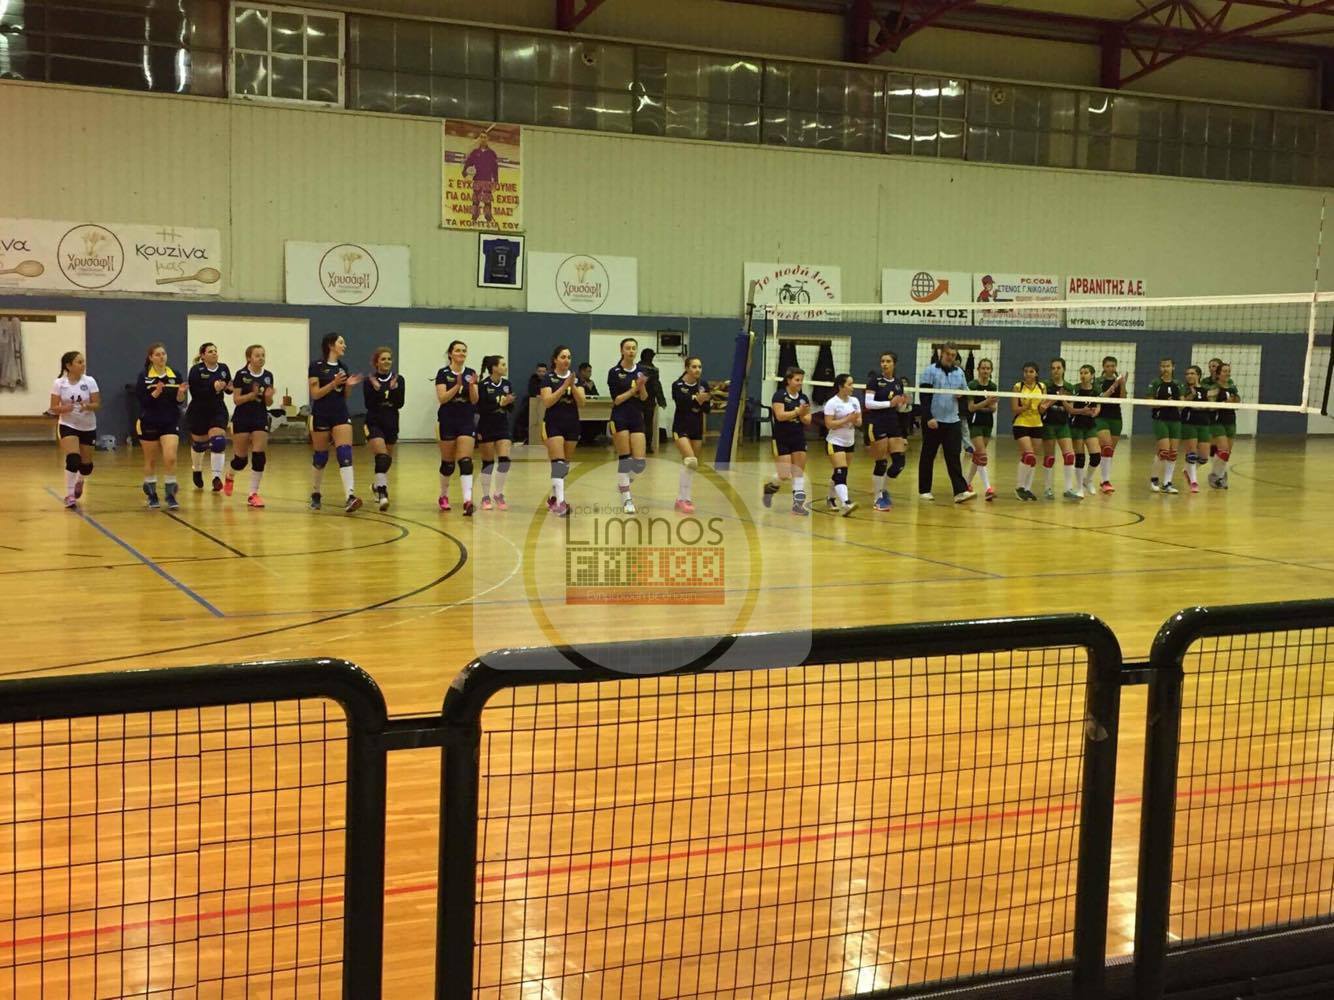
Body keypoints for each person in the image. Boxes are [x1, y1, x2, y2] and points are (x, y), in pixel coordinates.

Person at [308, 332, 363, 513]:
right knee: (321, 457)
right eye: (341, 342)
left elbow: (344, 396)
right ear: (331, 345)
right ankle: (316, 493)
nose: (344, 345)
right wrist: (333, 383)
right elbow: (315, 394)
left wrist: (348, 386)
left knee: (344, 452)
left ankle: (350, 496)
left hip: (340, 413)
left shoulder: (343, 367)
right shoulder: (316, 366)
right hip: (321, 413)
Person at [916, 343, 975, 503]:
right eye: (948, 354)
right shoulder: (930, 371)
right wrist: (928, 418)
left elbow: (965, 393)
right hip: (934, 421)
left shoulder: (959, 372)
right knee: (928, 455)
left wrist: (961, 395)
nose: (950, 357)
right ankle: (924, 490)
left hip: (952, 420)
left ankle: (960, 491)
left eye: (953, 355)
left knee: (954, 456)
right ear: (942, 354)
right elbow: (924, 397)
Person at [137, 342, 187, 510]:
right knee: (151, 460)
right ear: (151, 357)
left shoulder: (175, 374)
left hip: (170, 421)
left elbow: (179, 401)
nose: (161, 357)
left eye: (163, 354)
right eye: (157, 354)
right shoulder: (144, 376)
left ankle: (170, 494)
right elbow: (142, 401)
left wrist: (181, 394)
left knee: (170, 457)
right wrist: (156, 392)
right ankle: (152, 494)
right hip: (149, 421)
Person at [435, 339, 479, 516]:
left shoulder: (470, 373)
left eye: (464, 351)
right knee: (448, 464)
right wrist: (458, 385)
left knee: (466, 461)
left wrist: (472, 386)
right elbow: (442, 398)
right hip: (447, 420)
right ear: (450, 354)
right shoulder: (443, 373)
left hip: (466, 420)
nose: (461, 353)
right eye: (458, 350)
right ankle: (443, 496)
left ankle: (467, 501)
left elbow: (474, 400)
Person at [51, 350, 99, 509]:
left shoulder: (90, 381)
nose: (83, 365)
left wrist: (88, 406)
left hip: (87, 425)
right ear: (68, 366)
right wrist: (65, 408)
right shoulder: (59, 383)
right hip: (68, 425)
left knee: (86, 466)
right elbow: (53, 408)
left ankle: (80, 479)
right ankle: (70, 494)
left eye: (83, 361)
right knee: (73, 459)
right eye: (79, 362)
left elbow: (97, 404)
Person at [607, 337, 650, 514]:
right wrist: (633, 390)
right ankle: (627, 499)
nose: (631, 351)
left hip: (636, 416)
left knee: (639, 463)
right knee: (625, 458)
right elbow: (617, 400)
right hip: (620, 416)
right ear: (622, 350)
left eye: (634, 348)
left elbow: (644, 398)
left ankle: (623, 481)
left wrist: (642, 386)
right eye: (628, 348)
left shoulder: (641, 371)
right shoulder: (614, 372)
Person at [541, 345, 584, 517]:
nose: (567, 360)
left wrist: (572, 386)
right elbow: (547, 401)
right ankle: (561, 502)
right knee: (558, 463)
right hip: (553, 423)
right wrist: (564, 386)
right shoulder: (548, 378)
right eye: (563, 357)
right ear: (555, 359)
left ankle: (553, 498)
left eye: (569, 357)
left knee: (564, 465)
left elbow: (582, 402)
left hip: (572, 423)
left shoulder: (576, 378)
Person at [864, 351, 909, 512]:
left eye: (888, 361)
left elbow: (899, 408)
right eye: (882, 361)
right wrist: (889, 404)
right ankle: (877, 499)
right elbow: (868, 404)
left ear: (894, 364)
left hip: (893, 423)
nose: (884, 364)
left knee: (899, 463)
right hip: (877, 423)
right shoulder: (874, 381)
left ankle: (883, 489)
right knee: (881, 462)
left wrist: (903, 403)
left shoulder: (898, 383)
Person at [229, 344, 274, 508]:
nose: (261, 358)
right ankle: (230, 475)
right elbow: (236, 400)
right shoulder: (241, 375)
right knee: (241, 460)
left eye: (263, 355)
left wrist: (268, 397)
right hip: (242, 417)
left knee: (259, 456)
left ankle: (253, 494)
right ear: (249, 358)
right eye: (257, 355)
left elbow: (268, 403)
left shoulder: (268, 376)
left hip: (259, 417)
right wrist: (251, 395)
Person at [764, 366, 812, 515]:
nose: (800, 383)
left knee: (798, 472)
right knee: (784, 475)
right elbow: (780, 416)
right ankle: (770, 488)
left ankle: (797, 506)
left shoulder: (803, 398)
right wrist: (798, 412)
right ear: (789, 380)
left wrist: (802, 414)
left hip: (798, 437)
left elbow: (808, 420)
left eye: (801, 380)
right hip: (782, 438)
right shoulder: (779, 396)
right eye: (797, 380)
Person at [185, 342, 232, 493]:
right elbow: (195, 393)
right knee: (199, 445)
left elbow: (229, 387)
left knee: (218, 441)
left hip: (217, 409)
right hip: (199, 410)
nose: (214, 353)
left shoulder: (223, 368)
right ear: (203, 355)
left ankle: (216, 477)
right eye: (210, 351)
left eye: (215, 351)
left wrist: (229, 388)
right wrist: (213, 387)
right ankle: (197, 469)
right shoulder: (196, 370)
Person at [363, 347, 404, 512]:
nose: (387, 361)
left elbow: (399, 403)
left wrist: (390, 390)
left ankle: (376, 485)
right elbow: (369, 404)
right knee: (381, 457)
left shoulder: (399, 379)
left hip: (391, 422)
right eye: (383, 359)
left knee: (386, 460)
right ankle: (382, 493)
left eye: (389, 359)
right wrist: (380, 390)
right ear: (376, 362)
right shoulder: (369, 380)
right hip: (374, 422)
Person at [671, 356, 711, 513]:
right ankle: (684, 499)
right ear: (687, 368)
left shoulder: (703, 385)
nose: (697, 370)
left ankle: (681, 498)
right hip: (681, 428)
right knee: (691, 461)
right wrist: (696, 401)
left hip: (696, 428)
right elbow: (682, 405)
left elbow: (707, 409)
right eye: (694, 367)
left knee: (690, 465)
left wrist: (702, 402)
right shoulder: (678, 385)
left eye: (699, 367)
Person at [477, 354, 515, 510]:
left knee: (505, 461)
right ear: (494, 368)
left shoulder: (507, 384)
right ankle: (485, 496)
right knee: (488, 463)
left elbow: (510, 408)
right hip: (486, 426)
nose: (505, 367)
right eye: (502, 364)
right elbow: (480, 408)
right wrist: (501, 403)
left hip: (502, 425)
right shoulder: (483, 385)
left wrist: (508, 403)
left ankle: (498, 493)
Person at [1040, 357, 1081, 501]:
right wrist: (1054, 398)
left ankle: (1068, 489)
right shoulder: (1045, 385)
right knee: (1050, 458)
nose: (1055, 371)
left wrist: (1063, 399)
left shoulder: (1069, 387)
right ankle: (1048, 489)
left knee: (1069, 456)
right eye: (1053, 368)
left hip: (1063, 424)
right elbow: (1042, 408)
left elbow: (1071, 410)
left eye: (1058, 368)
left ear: (1064, 369)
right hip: (1049, 424)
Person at [822, 373, 862, 516]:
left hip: (849, 442)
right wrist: (847, 419)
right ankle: (846, 503)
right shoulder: (832, 403)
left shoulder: (855, 401)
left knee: (839, 472)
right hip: (834, 442)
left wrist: (855, 420)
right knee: (841, 471)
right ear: (841, 386)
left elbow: (859, 422)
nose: (852, 387)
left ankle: (830, 498)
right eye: (849, 384)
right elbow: (829, 424)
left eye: (852, 384)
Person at [1147, 357, 1183, 494]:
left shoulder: (1178, 384)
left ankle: (1167, 483)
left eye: (1167, 366)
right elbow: (1150, 402)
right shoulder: (1155, 383)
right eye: (1162, 366)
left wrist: (1177, 402)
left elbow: (1182, 404)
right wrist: (1164, 403)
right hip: (1160, 418)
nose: (1165, 368)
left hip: (1175, 419)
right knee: (1164, 452)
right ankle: (1154, 479)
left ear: (1173, 367)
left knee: (1173, 453)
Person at [966, 358, 998, 501]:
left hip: (988, 423)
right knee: (983, 456)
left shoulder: (992, 386)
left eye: (988, 368)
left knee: (978, 456)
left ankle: (966, 483)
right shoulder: (972, 385)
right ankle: (988, 488)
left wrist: (984, 406)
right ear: (978, 369)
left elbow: (993, 408)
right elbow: (971, 408)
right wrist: (986, 402)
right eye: (983, 368)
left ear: (991, 371)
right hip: (975, 423)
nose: (985, 371)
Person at [1011, 362, 1044, 502]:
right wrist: (1025, 407)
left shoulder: (1042, 387)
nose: (1028, 374)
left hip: (1037, 424)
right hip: (1021, 423)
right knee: (1028, 455)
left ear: (1036, 373)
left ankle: (1027, 488)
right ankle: (1019, 487)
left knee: (1032, 458)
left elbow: (1041, 409)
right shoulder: (1018, 387)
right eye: (1026, 371)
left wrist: (1044, 407)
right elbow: (1014, 409)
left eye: (1031, 371)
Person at [1095, 356, 1127, 494]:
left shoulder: (1119, 381)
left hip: (1116, 417)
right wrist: (1115, 384)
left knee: (1109, 452)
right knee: (1106, 447)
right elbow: (1101, 398)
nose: (1110, 368)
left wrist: (1123, 384)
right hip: (1101, 417)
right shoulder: (1098, 381)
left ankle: (1104, 480)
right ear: (1103, 367)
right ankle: (1106, 481)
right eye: (1108, 366)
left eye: (1113, 366)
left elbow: (1123, 399)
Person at [1070, 364, 1102, 496]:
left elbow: (1098, 407)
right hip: (1076, 424)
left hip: (1090, 424)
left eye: (1086, 373)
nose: (1083, 375)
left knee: (1096, 457)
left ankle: (1087, 480)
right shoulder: (1075, 388)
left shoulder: (1096, 389)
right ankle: (1079, 488)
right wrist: (1083, 411)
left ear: (1092, 375)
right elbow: (1071, 409)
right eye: (1081, 373)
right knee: (1080, 458)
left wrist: (1095, 412)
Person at [1179, 365, 1210, 494]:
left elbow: (1209, 405)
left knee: (1204, 458)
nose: (1189, 376)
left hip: (1204, 423)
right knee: (1191, 454)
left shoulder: (1205, 390)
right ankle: (1194, 482)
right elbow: (1181, 405)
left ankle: (1187, 471)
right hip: (1189, 423)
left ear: (1198, 375)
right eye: (1187, 374)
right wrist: (1190, 398)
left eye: (1192, 373)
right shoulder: (1183, 388)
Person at [1208, 361, 1239, 489]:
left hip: (1230, 420)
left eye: (1228, 371)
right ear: (1218, 374)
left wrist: (1235, 401)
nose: (1227, 373)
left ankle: (1219, 477)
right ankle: (1215, 476)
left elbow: (1237, 403)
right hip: (1217, 421)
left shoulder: (1232, 387)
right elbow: (1210, 407)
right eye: (1225, 371)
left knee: (1227, 453)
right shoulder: (1214, 388)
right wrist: (1225, 403)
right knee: (1223, 449)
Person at [463, 130, 499, 226]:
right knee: (475, 201)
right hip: (477, 180)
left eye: (485, 137)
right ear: (479, 139)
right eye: (481, 137)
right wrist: (465, 174)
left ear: (488, 139)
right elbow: (467, 164)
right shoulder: (475, 152)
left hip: (487, 181)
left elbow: (495, 169)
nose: (483, 139)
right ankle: (474, 219)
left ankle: (488, 220)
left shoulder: (492, 153)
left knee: (487, 202)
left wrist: (496, 182)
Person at [638, 347, 666, 452]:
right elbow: (657, 386)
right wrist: (661, 400)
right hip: (650, 400)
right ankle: (647, 446)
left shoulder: (636, 367)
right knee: (648, 423)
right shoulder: (654, 370)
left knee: (636, 423)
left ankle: (637, 445)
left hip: (637, 399)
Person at [515, 362, 547, 443]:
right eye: (539, 371)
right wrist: (537, 395)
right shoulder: (533, 379)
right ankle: (522, 437)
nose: (541, 373)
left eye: (543, 371)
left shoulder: (548, 379)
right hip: (532, 403)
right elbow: (532, 391)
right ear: (536, 371)